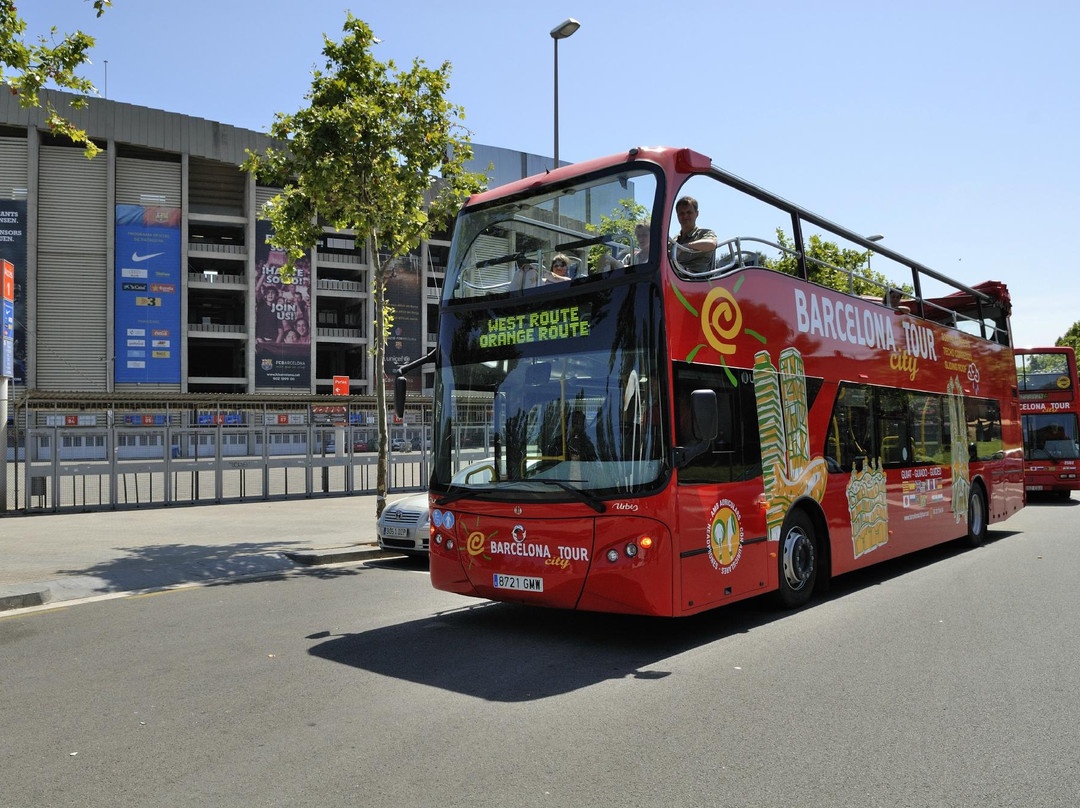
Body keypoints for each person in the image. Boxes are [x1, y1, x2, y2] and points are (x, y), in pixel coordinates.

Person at [670, 196, 717, 272]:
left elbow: (711, 244)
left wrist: (683, 247)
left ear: (696, 213)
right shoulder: (673, 242)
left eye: (689, 212)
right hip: (674, 279)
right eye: (681, 213)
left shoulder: (705, 234)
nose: (685, 216)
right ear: (677, 216)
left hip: (698, 280)